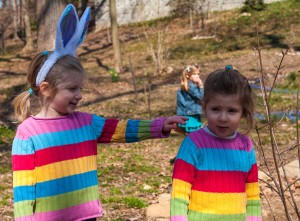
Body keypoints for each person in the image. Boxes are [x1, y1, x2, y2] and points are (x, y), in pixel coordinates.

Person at [11, 4, 187, 221]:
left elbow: (122, 129)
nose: (79, 95)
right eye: (72, 89)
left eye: (80, 89)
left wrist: (159, 125)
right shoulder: (28, 134)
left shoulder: (86, 123)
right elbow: (23, 190)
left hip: (87, 216)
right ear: (46, 89)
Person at [170, 65, 261, 221]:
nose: (223, 118)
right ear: (205, 108)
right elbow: (179, 193)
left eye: (232, 111)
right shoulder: (193, 144)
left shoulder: (245, 147)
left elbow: (252, 195)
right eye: (216, 109)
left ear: (243, 113)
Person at [176, 64, 204, 135]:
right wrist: (201, 86)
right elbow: (201, 96)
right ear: (187, 75)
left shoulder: (184, 86)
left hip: (186, 114)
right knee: (194, 134)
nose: (197, 76)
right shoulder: (191, 86)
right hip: (192, 115)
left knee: (191, 134)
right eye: (194, 74)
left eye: (198, 74)